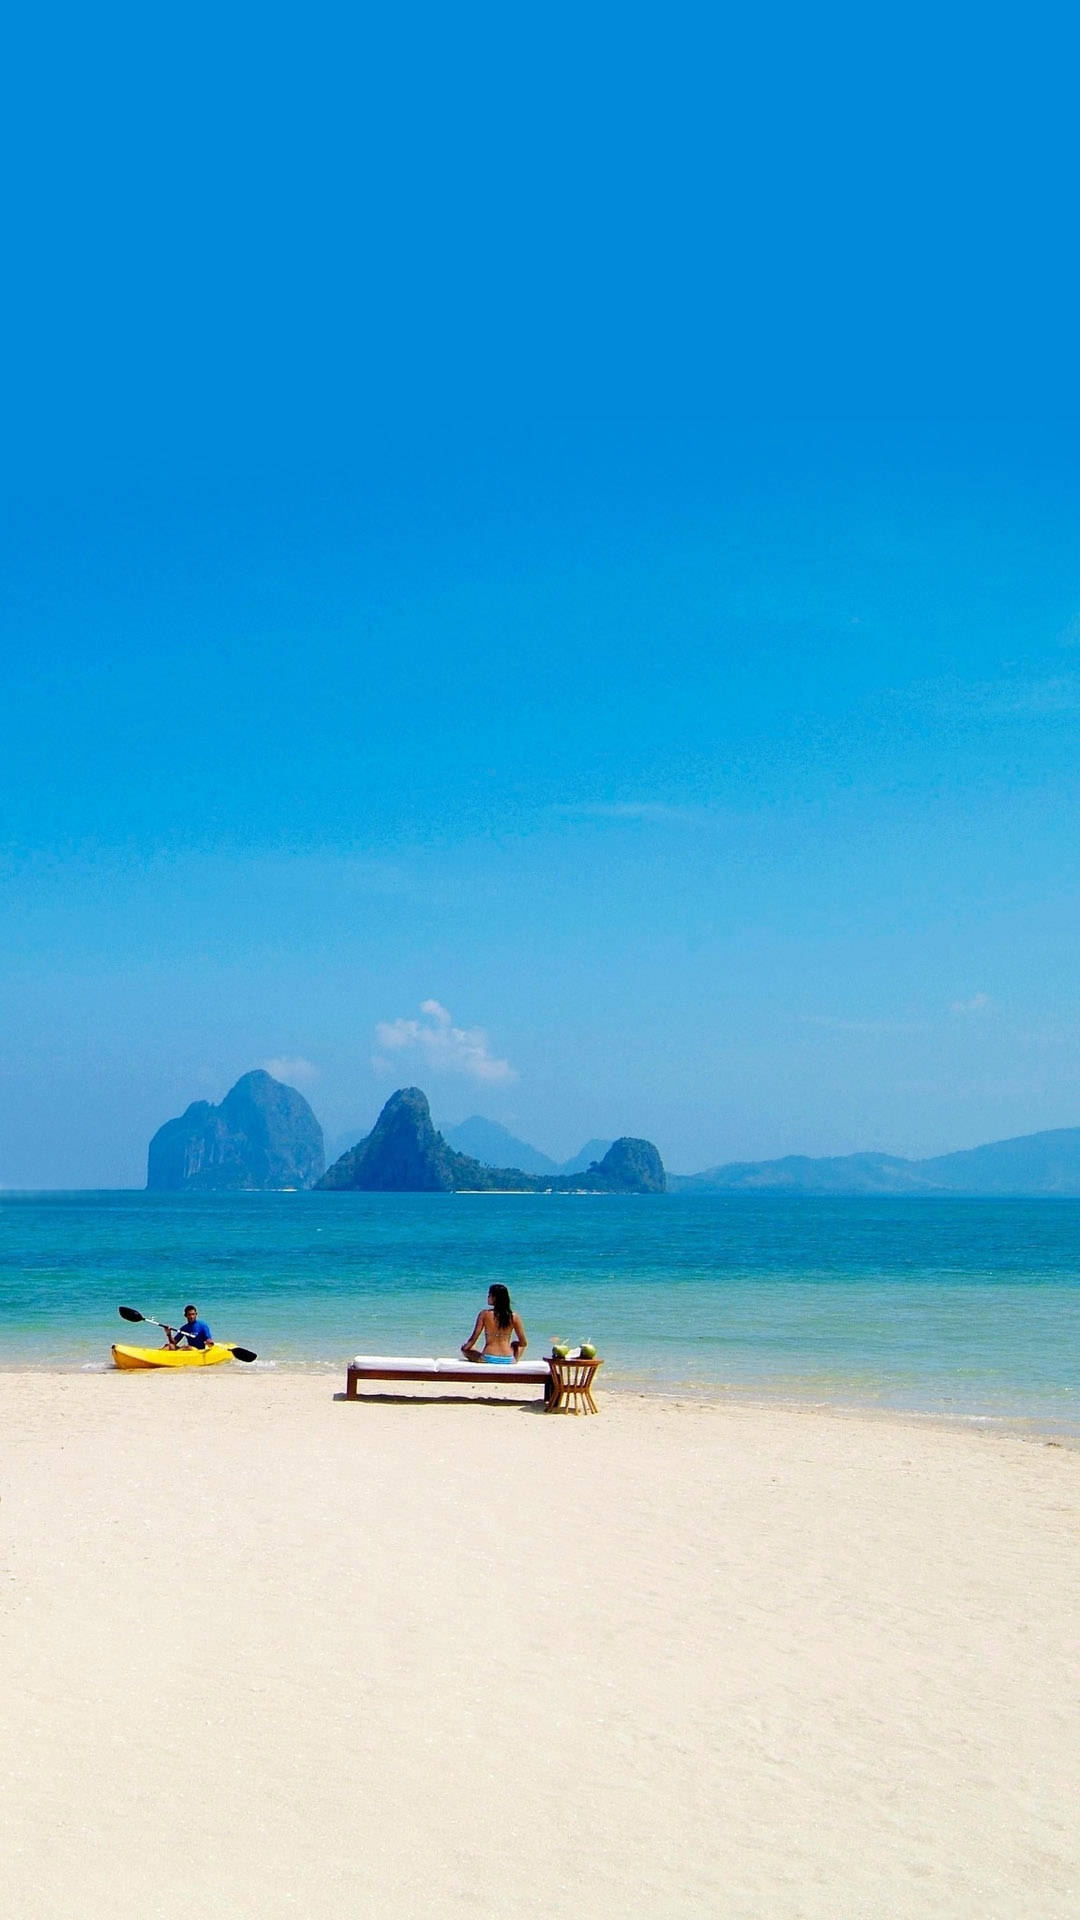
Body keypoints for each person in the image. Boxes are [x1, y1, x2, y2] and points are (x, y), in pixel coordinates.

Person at [461, 1284, 527, 1364]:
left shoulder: (484, 1314)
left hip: (488, 1358)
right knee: (518, 1346)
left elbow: (473, 1339)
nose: (488, 1297)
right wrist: (514, 1344)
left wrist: (465, 1348)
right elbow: (523, 1343)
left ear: (495, 1298)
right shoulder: (514, 1316)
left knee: (466, 1349)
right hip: (508, 1359)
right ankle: (512, 1359)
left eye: (489, 1295)